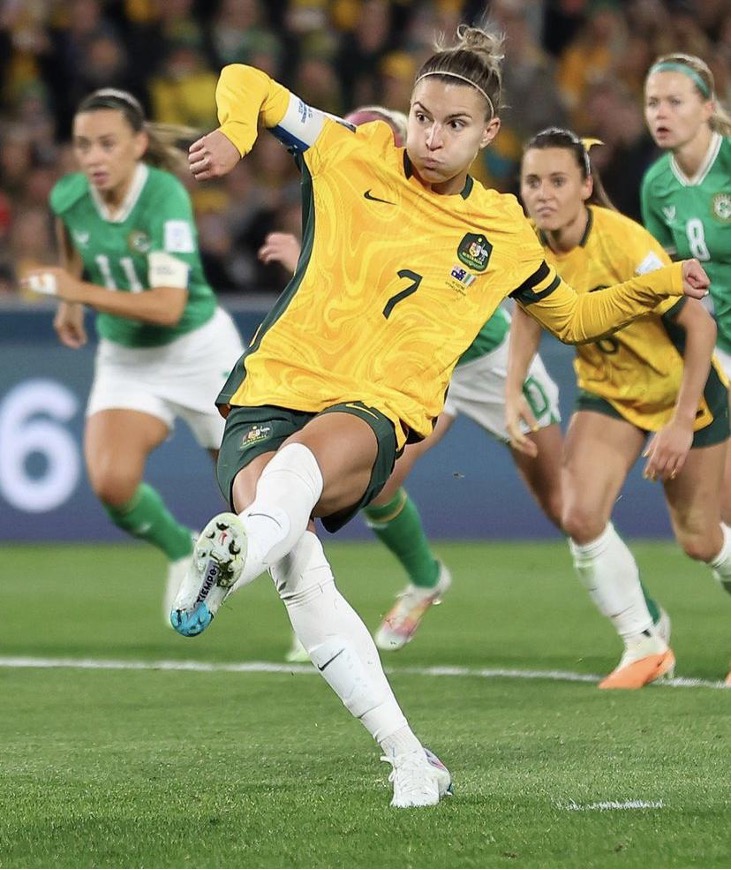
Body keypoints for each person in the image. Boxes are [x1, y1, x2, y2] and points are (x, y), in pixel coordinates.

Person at [170, 26, 708, 808]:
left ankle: (233, 551)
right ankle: (410, 758)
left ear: (490, 132)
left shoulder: (502, 229)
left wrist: (657, 288)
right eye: (422, 116)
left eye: (455, 124)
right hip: (272, 385)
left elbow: (578, 318)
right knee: (297, 568)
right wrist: (235, 129)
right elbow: (245, 75)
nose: (431, 136)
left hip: (375, 404)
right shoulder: (352, 151)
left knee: (290, 482)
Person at [259, 107, 564, 662]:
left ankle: (641, 623)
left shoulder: (435, 195)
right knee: (377, 481)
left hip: (490, 361)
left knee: (570, 507)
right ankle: (423, 579)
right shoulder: (360, 196)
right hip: (424, 373)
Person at [507, 127, 729, 689]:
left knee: (701, 540)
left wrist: (680, 423)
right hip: (610, 392)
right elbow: (530, 317)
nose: (544, 193)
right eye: (533, 181)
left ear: (586, 185)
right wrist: (511, 391)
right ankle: (644, 642)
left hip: (684, 392)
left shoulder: (626, 245)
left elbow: (698, 323)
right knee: (580, 515)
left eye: (558, 180)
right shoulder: (526, 247)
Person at [23, 88, 244, 618]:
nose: (93, 158)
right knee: (112, 484)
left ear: (139, 144)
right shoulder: (71, 196)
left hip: (198, 351)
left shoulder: (163, 195)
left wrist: (75, 292)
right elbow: (70, 234)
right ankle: (181, 552)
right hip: (128, 358)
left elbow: (168, 307)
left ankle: (308, 612)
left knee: (250, 495)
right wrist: (71, 303)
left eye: (107, 144)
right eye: (83, 146)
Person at [641, 52, 731, 528]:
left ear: (707, 107)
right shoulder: (657, 185)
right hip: (716, 350)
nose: (661, 113)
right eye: (653, 103)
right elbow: (667, 283)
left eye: (675, 102)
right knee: (720, 507)